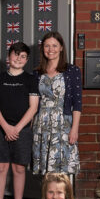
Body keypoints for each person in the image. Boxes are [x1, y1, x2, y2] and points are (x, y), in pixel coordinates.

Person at [0, 41, 40, 199]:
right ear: (8, 57)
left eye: (23, 56)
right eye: (15, 54)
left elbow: (33, 107)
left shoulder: (31, 80)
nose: (19, 58)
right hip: (0, 129)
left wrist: (16, 128)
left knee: (19, 169)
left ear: (27, 60)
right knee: (0, 167)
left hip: (22, 131)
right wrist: (6, 127)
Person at [30, 31, 82, 176]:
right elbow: (33, 104)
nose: (50, 49)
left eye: (54, 45)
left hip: (63, 123)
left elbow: (77, 103)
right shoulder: (36, 73)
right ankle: (46, 198)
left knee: (62, 170)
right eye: (47, 46)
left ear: (61, 48)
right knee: (45, 170)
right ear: (43, 49)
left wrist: (74, 129)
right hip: (41, 124)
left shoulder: (72, 71)